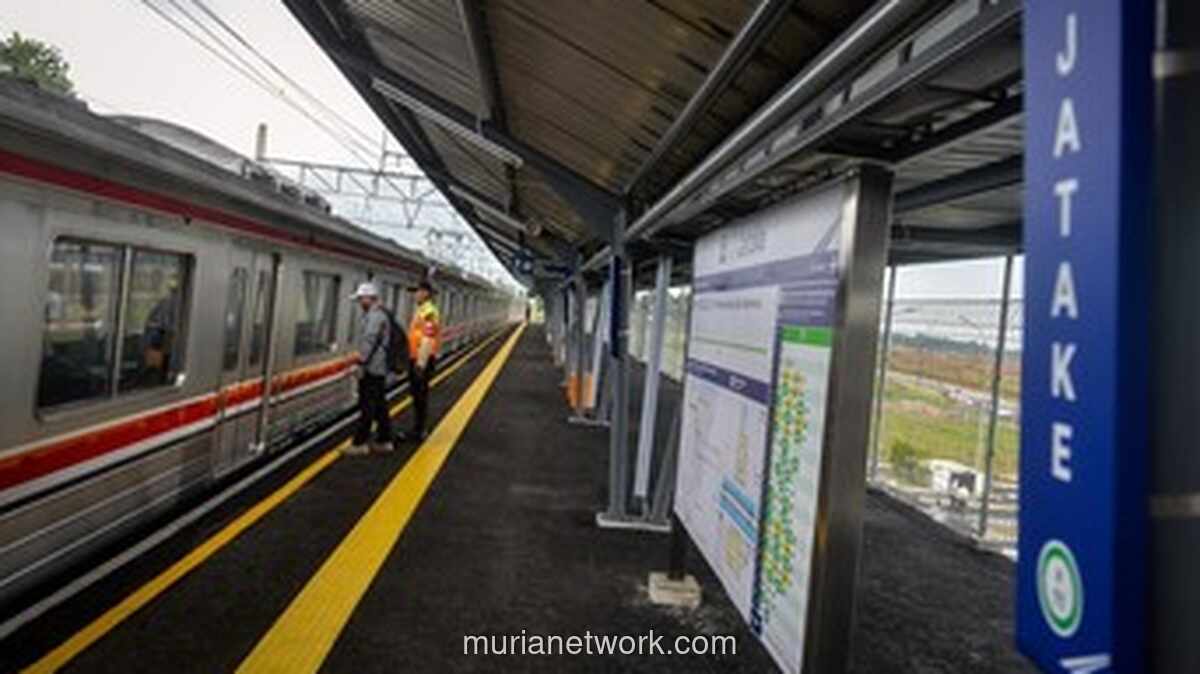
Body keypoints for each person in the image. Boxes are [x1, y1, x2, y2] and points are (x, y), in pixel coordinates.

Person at [348, 282, 394, 455]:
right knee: (380, 405)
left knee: (367, 405)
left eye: (361, 298)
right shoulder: (380, 315)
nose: (360, 302)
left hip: (372, 368)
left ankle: (359, 444)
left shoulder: (375, 317)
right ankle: (385, 439)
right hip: (378, 368)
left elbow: (370, 340)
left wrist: (360, 361)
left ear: (370, 298)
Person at [397, 280, 440, 442]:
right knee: (416, 395)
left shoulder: (429, 311)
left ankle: (419, 431)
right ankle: (418, 428)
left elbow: (429, 337)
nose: (415, 295)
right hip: (417, 357)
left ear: (426, 293)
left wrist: (420, 363)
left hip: (423, 360)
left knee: (420, 395)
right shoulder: (423, 310)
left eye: (417, 291)